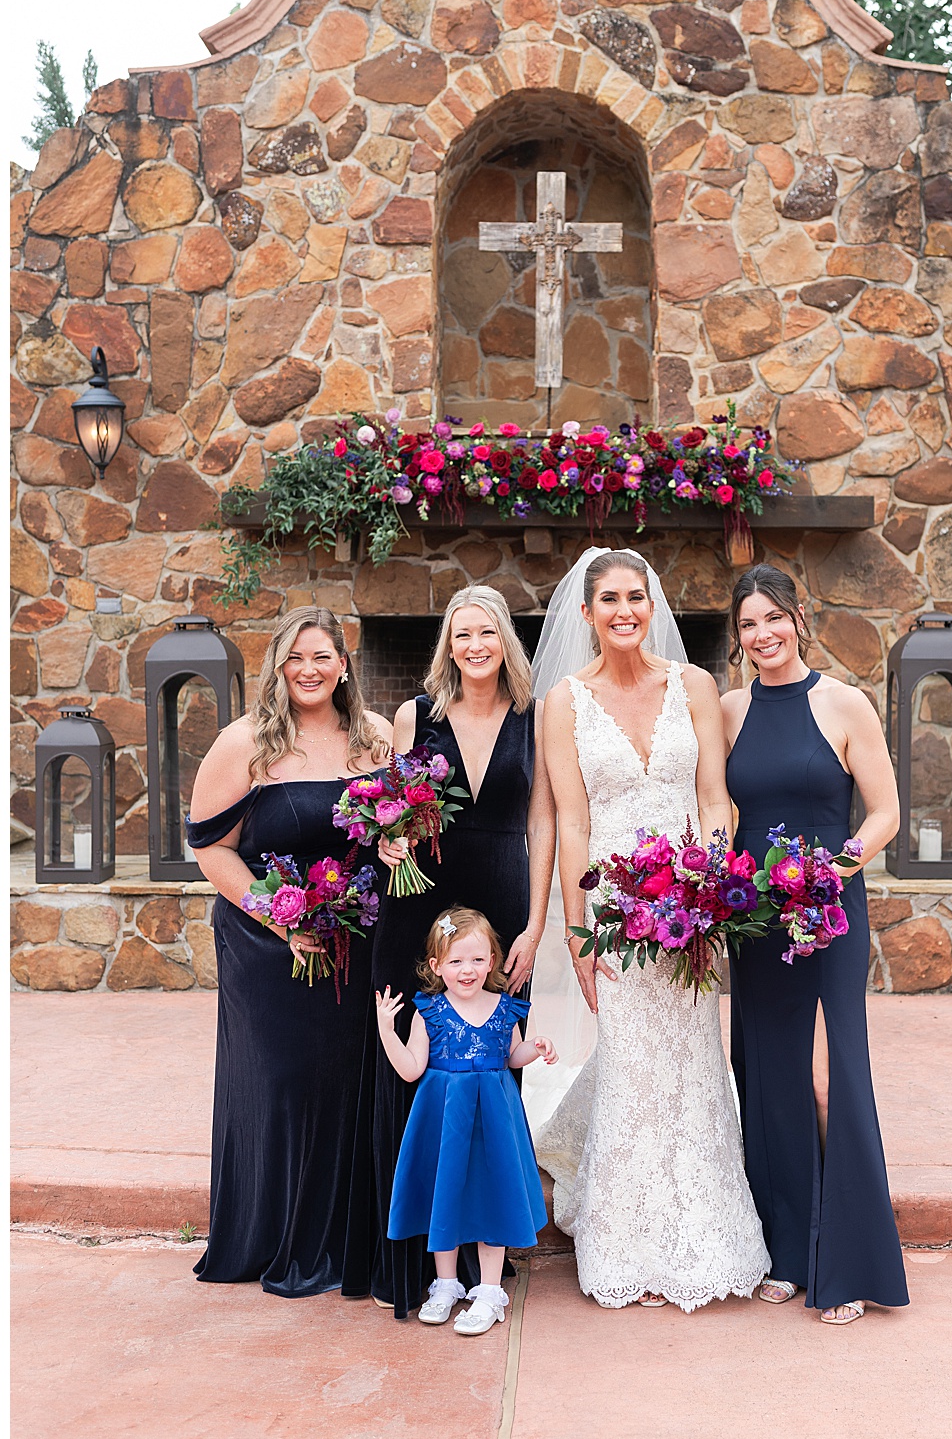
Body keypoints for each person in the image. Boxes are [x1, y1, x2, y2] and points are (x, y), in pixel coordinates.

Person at [535, 547, 768, 1311]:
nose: (625, 611)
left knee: (695, 1059)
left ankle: (706, 1225)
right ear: (587, 613)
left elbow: (712, 800)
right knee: (634, 1061)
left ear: (652, 604)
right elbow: (571, 822)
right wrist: (576, 932)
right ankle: (626, 1237)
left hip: (691, 908)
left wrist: (709, 887)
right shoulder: (563, 703)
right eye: (610, 600)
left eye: (636, 597)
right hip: (614, 915)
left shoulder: (695, 685)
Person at [341, 584, 555, 1317]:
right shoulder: (415, 716)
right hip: (418, 900)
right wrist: (387, 836)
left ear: (505, 642)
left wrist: (534, 926)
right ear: (448, 644)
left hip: (501, 900)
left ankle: (489, 1254)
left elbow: (545, 821)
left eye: (487, 633)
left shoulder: (534, 716)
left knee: (492, 1061)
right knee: (425, 1062)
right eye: (462, 634)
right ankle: (426, 1261)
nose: (474, 646)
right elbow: (390, 809)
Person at [722, 564, 909, 1323]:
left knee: (832, 1079)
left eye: (774, 618)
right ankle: (789, 1253)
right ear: (737, 638)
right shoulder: (729, 709)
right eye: (748, 625)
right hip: (760, 920)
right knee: (770, 1078)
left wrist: (834, 869)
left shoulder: (843, 702)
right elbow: (716, 807)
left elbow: (887, 812)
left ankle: (851, 1265)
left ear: (799, 617)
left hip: (829, 912)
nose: (763, 635)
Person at [186, 606, 393, 1295]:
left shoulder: (375, 739)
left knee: (346, 1086)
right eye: (296, 657)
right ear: (278, 665)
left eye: (323, 656)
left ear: (343, 665)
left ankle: (340, 1239)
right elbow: (211, 849)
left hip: (355, 940)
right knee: (282, 1086)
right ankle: (273, 1238)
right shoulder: (245, 742)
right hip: (268, 948)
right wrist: (279, 917)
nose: (309, 669)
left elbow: (396, 830)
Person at [376, 907, 556, 1336]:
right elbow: (411, 1070)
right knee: (446, 1193)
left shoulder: (504, 1009)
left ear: (492, 961)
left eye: (476, 959)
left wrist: (536, 1048)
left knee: (492, 1196)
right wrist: (387, 1030)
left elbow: (511, 1057)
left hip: (495, 1122)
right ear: (437, 966)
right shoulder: (430, 1012)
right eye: (455, 961)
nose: (467, 970)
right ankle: (446, 1283)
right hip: (444, 1123)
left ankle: (490, 1291)